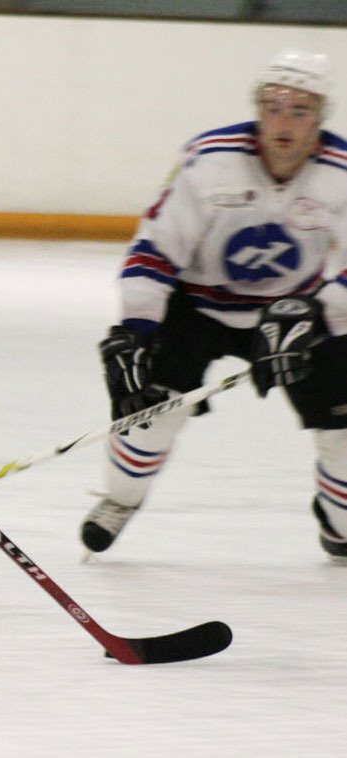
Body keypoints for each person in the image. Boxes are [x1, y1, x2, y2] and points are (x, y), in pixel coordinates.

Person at [80, 48, 347, 564]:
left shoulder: (342, 171)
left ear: (321, 118)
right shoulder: (212, 159)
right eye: (272, 106)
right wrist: (136, 329)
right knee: (149, 412)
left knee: (343, 427)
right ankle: (121, 499)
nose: (283, 122)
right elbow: (155, 249)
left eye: (300, 110)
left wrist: (321, 311)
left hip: (295, 314)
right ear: (257, 109)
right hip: (196, 308)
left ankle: (339, 524)